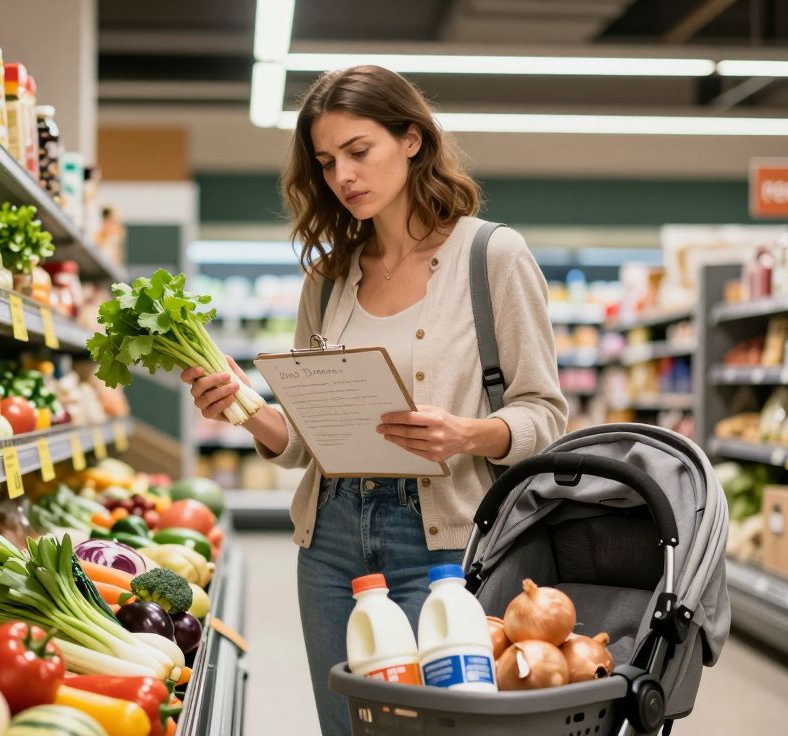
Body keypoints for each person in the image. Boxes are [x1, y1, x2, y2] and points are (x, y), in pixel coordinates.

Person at [181, 65, 566, 734]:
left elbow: (545, 414)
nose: (343, 176)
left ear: (412, 139)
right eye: (328, 163)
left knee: (439, 728)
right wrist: (246, 407)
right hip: (330, 539)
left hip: (442, 543)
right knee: (347, 726)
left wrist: (468, 434)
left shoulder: (492, 256)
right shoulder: (329, 280)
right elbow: (304, 442)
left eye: (359, 151)